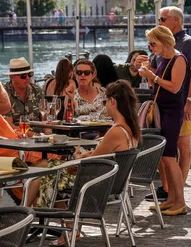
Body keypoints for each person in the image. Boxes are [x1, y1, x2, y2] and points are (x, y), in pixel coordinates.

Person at [31, 80, 141, 244]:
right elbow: (99, 156)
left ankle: (25, 219)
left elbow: (89, 163)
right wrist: (85, 156)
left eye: (105, 102)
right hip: (109, 183)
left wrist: (77, 158)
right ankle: (64, 226)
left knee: (44, 173)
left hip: (93, 184)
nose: (104, 106)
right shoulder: (131, 129)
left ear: (112, 101)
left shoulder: (116, 131)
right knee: (47, 170)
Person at [140, 7, 191, 202]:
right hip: (165, 105)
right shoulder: (161, 49)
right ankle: (169, 190)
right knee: (165, 151)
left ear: (175, 20)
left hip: (181, 103)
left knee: (182, 145)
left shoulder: (188, 44)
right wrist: (147, 71)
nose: (159, 21)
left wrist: (190, 101)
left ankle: (177, 191)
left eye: (162, 18)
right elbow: (159, 76)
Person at [138, 25, 188, 216]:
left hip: (172, 111)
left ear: (163, 41)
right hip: (161, 109)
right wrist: (147, 75)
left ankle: (180, 201)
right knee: (164, 157)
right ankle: (171, 198)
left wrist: (153, 77)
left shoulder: (179, 59)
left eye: (153, 43)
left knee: (169, 157)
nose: (151, 47)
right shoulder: (162, 58)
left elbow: (175, 87)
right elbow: (157, 84)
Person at [3, 57, 44, 127]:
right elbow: (9, 126)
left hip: (39, 134)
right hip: (16, 135)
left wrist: (47, 133)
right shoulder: (4, 94)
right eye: (23, 76)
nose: (28, 78)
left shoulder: (37, 90)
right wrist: (30, 134)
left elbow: (44, 119)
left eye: (30, 74)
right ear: (12, 77)